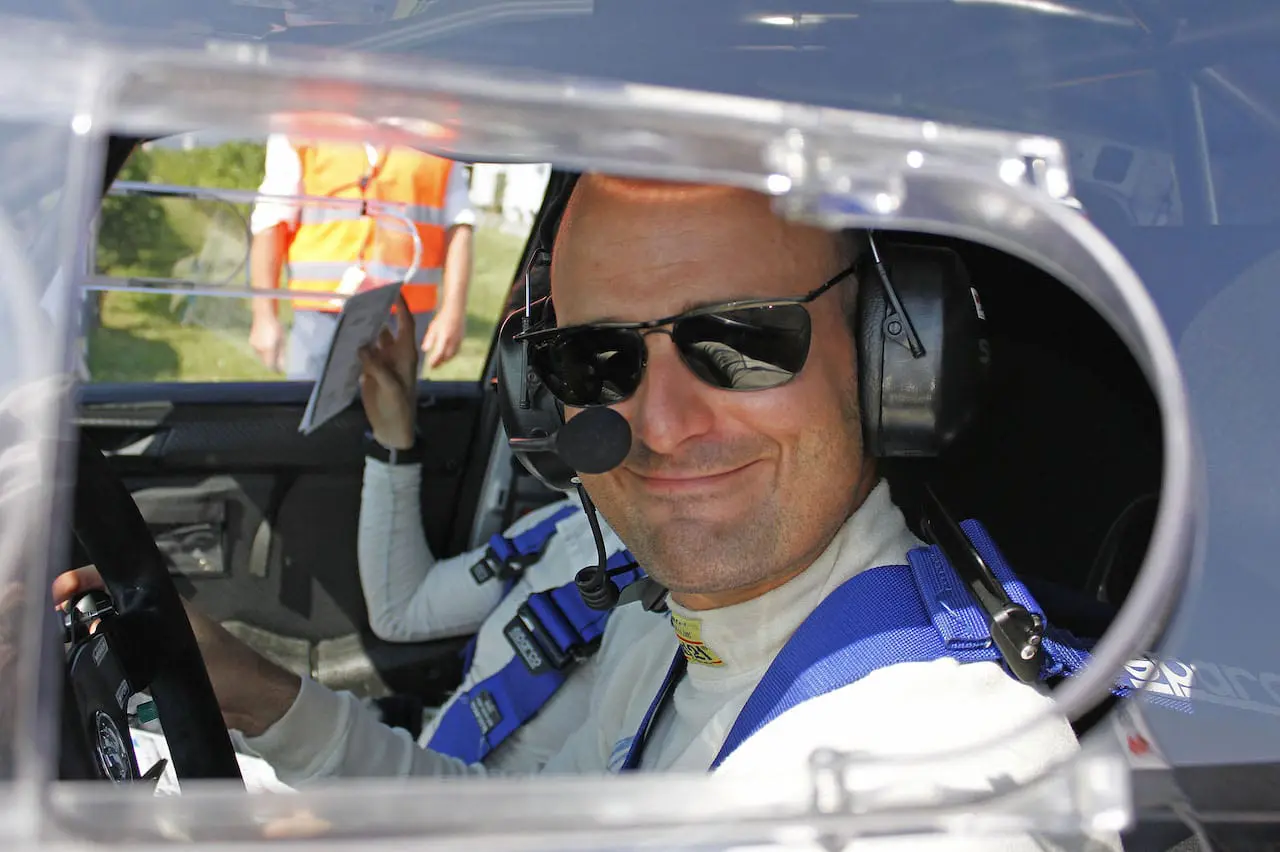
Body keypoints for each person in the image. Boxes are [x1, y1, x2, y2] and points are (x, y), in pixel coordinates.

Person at [54, 174, 1115, 847]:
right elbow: (515, 828)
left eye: (742, 340)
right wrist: (260, 696)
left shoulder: (929, 768)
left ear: (893, 364)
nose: (659, 425)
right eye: (594, 359)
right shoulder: (664, 626)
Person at [355, 304, 633, 770]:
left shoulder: (673, 609)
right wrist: (393, 447)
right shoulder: (566, 525)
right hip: (420, 784)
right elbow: (403, 610)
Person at [247, 135, 474, 380]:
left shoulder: (440, 133)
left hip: (405, 316)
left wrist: (453, 311)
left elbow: (459, 224)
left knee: (394, 402)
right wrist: (264, 315)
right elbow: (271, 220)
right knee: (310, 400)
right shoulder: (300, 126)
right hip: (321, 313)